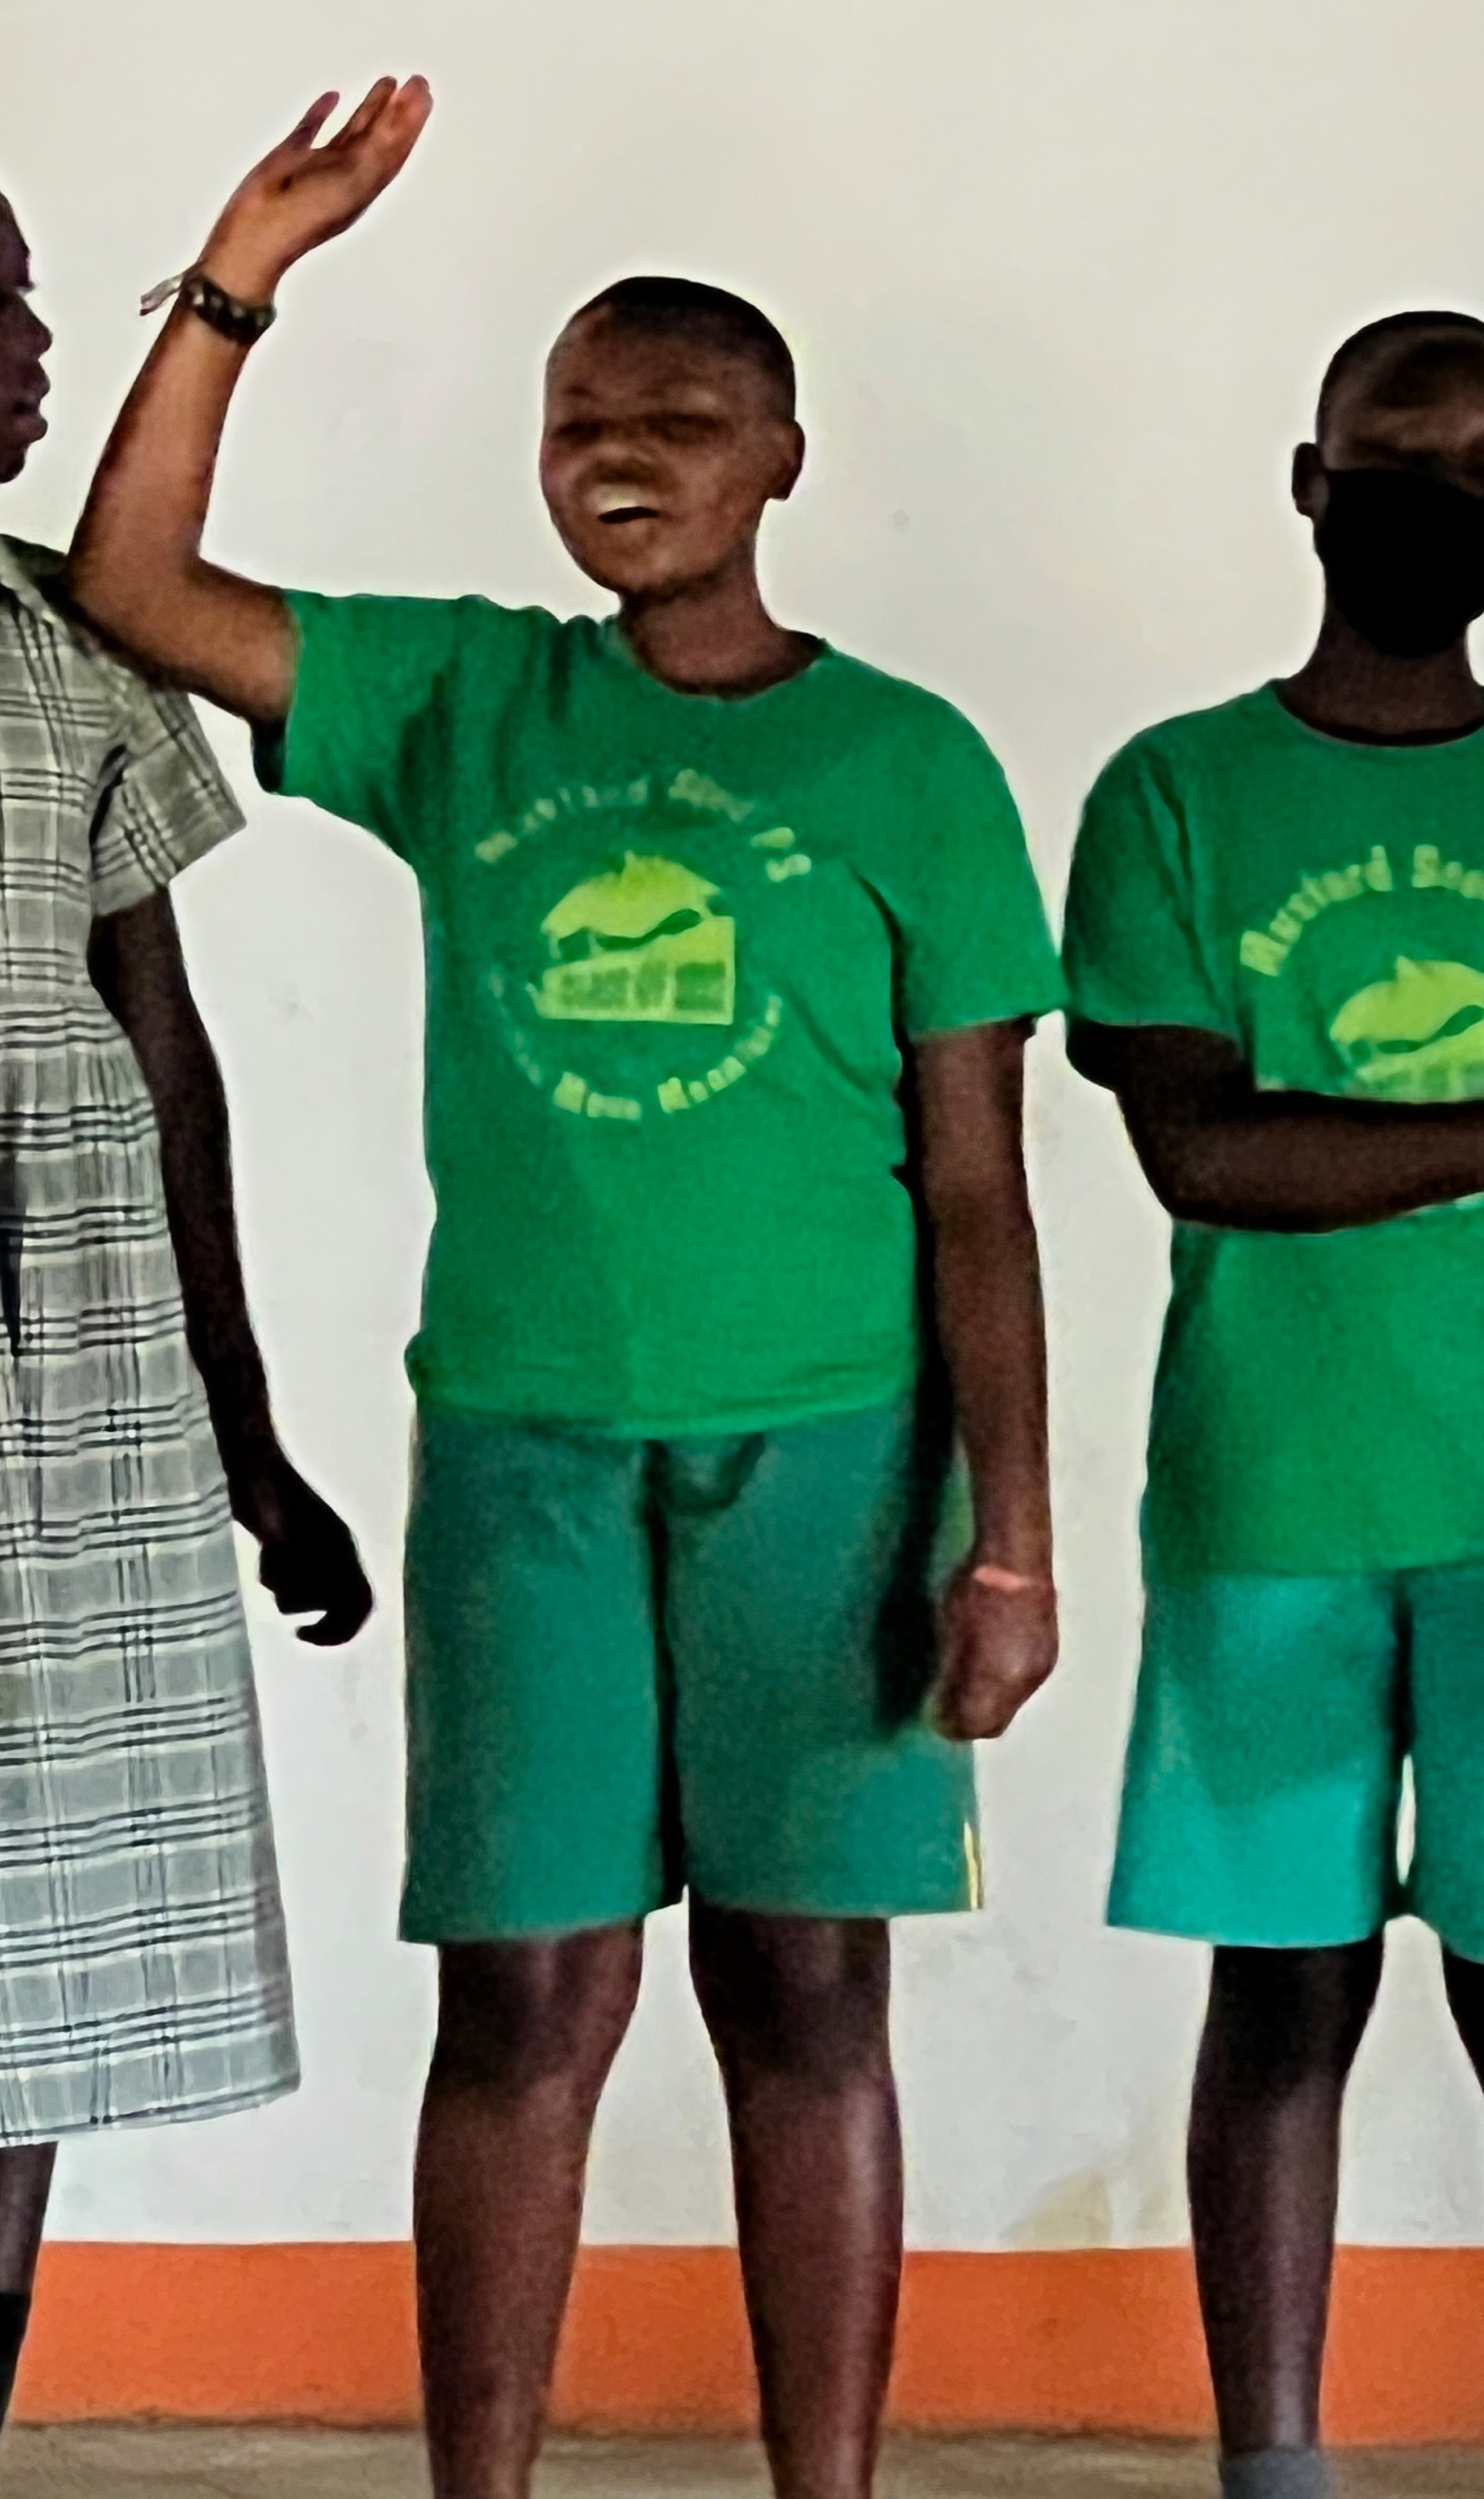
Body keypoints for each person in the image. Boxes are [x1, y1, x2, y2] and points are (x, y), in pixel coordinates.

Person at [69, 84, 1063, 2499]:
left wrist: (1011, 1531)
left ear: (783, 457)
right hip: (522, 1439)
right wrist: (239, 278)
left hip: (833, 1453)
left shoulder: (910, 764)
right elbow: (132, 586)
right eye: (583, 421)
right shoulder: (463, 700)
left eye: (683, 421)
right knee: (526, 1994)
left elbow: (975, 1190)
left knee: (809, 1991)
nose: (626, 457)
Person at [1061, 308, 1484, 2499]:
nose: (1441, 496)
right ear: (1304, 479)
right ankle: (1274, 2465)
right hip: (1269, 1494)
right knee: (1283, 1996)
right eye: (1396, 452)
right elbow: (1205, 1151)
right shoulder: (1174, 791)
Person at [0, 182, 371, 2432]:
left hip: (78, 1375)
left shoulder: (68, 641)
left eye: (34, 298)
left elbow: (169, 1056)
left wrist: (251, 1449)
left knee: (30, 1938)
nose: (31, 340)